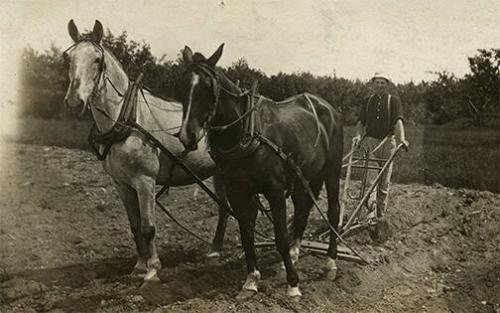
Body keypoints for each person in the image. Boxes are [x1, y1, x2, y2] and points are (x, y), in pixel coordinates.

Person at [352, 71, 409, 222]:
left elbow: (398, 121)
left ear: (387, 85)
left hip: (388, 143)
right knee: (370, 181)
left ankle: (380, 217)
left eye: (383, 83)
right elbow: (360, 122)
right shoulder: (367, 101)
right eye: (377, 83)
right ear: (373, 84)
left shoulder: (393, 101)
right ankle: (371, 215)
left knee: (384, 183)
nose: (380, 86)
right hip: (370, 142)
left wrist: (402, 139)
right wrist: (358, 135)